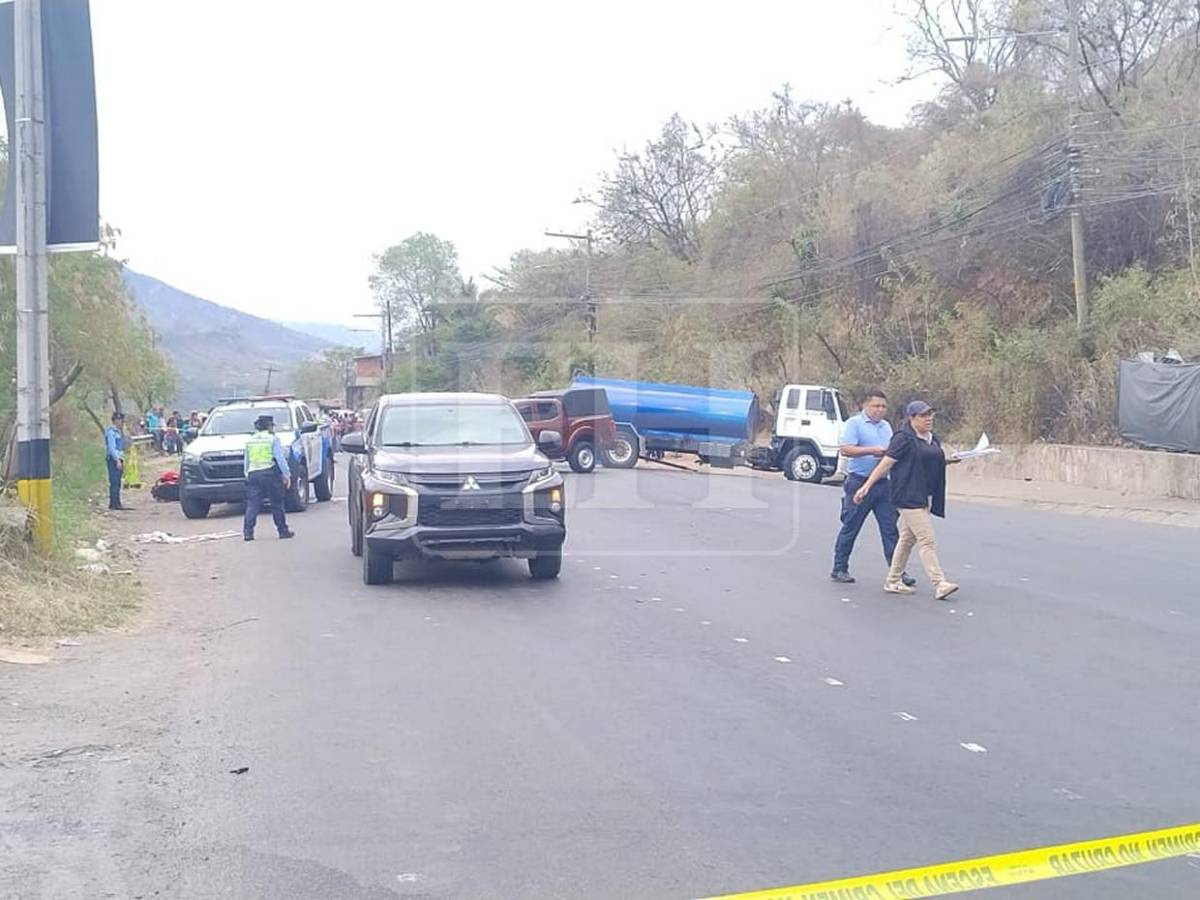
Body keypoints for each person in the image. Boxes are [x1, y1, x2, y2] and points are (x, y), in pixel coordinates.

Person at [853, 400, 959, 600]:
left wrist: (950, 460)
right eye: (923, 415)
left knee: (907, 539)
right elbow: (886, 463)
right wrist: (867, 485)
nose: (929, 418)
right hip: (907, 496)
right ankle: (940, 583)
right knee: (926, 539)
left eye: (930, 414)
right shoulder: (903, 439)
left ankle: (893, 580)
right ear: (911, 418)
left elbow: (929, 459)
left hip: (925, 494)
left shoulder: (931, 438)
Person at [830, 388, 914, 587]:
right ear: (865, 406)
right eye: (876, 406)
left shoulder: (886, 426)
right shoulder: (854, 424)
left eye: (884, 406)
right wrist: (871, 451)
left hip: (884, 484)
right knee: (851, 526)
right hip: (859, 482)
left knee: (890, 529)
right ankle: (839, 567)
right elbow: (846, 449)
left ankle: (897, 572)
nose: (880, 410)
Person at [242, 414, 295, 542]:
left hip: (253, 474)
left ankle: (248, 533)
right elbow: (279, 458)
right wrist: (287, 474)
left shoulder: (250, 440)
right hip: (269, 473)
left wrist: (247, 474)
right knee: (276, 503)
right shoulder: (272, 439)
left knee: (252, 504)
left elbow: (246, 461)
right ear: (269, 426)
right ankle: (282, 530)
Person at [104, 411, 131, 511]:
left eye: (121, 420)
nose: (121, 422)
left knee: (118, 482)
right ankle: (113, 503)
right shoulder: (111, 432)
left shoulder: (118, 432)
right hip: (113, 459)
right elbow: (111, 448)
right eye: (119, 420)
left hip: (119, 458)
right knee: (114, 481)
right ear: (115, 420)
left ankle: (117, 502)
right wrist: (117, 460)